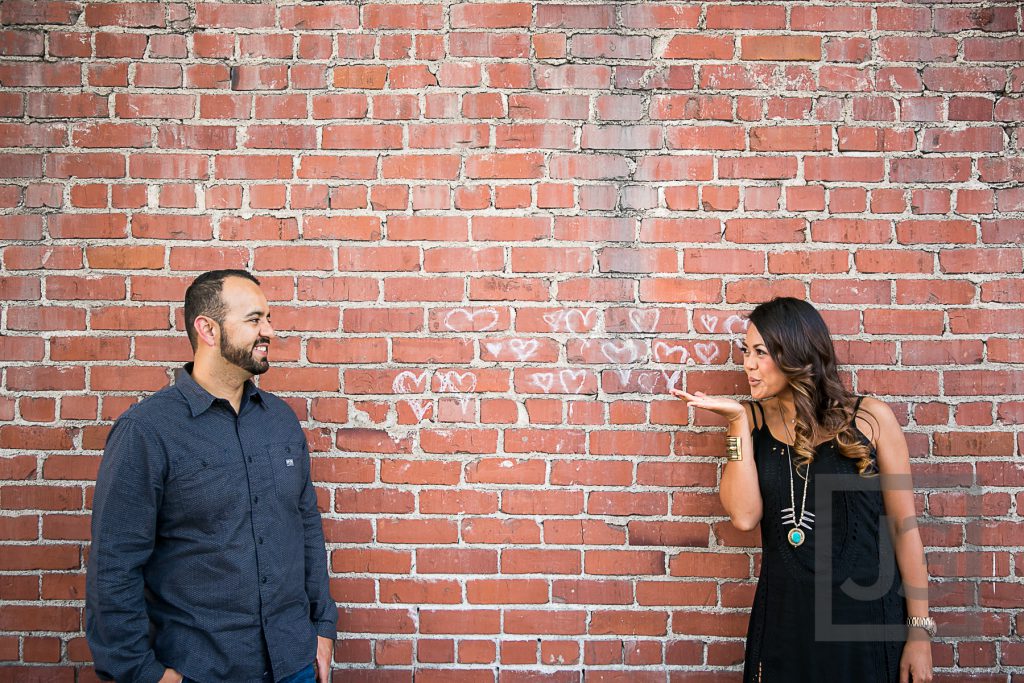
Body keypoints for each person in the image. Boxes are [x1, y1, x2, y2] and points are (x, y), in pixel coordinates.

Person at [87, 270, 338, 683]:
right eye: (255, 320)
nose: (269, 332)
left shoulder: (280, 422)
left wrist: (322, 628)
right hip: (199, 669)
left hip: (294, 662)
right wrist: (144, 674)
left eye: (268, 319)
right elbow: (114, 567)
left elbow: (306, 528)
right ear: (207, 328)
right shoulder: (147, 432)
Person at [671, 297, 933, 683]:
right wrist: (737, 425)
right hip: (785, 625)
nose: (748, 363)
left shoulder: (871, 418)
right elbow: (744, 517)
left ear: (795, 352)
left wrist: (919, 632)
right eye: (747, 351)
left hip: (865, 628)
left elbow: (903, 529)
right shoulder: (752, 423)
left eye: (760, 352)